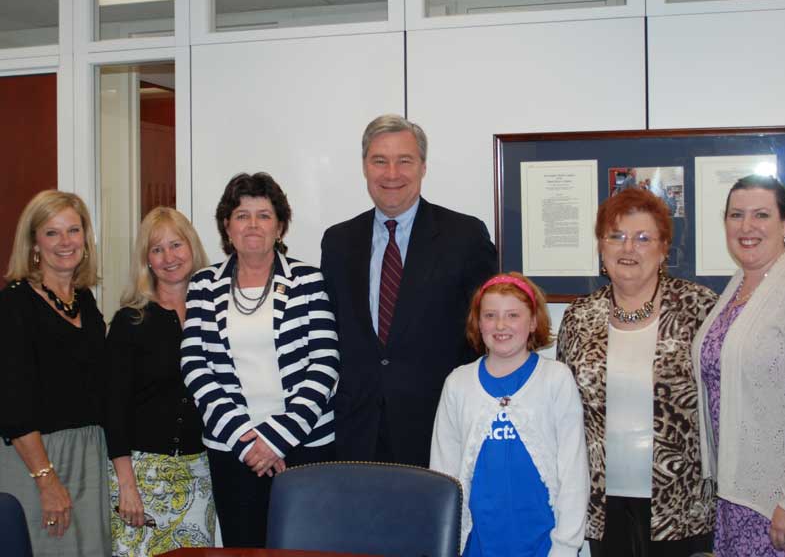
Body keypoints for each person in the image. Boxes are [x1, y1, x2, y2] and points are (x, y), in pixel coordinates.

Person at [321, 113, 497, 467]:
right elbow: (331, 333)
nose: (391, 174)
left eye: (404, 161)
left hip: (438, 428)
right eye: (379, 161)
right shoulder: (338, 241)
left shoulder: (464, 236)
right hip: (357, 432)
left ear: (423, 167)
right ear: (364, 167)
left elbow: (484, 333)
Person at [556, 187, 717, 557]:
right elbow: (563, 412)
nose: (628, 248)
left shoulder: (699, 309)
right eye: (617, 237)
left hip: (681, 502)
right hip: (602, 501)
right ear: (601, 246)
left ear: (663, 250)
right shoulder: (579, 317)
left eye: (643, 238)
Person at [181, 172, 339, 547]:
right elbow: (195, 366)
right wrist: (248, 440)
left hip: (305, 447)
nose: (253, 224)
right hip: (234, 450)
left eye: (264, 215)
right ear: (227, 226)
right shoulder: (204, 284)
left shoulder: (308, 280)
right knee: (244, 547)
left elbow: (325, 363)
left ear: (280, 226)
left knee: (308, 548)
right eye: (241, 215)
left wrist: (276, 438)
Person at [431, 273, 588, 556]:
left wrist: (566, 545)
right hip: (475, 543)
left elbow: (573, 471)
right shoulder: (458, 383)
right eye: (490, 315)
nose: (501, 325)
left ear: (533, 322)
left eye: (513, 315)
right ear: (478, 324)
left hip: (543, 542)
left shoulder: (555, 379)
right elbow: (443, 471)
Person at [0, 190, 110, 556]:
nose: (66, 242)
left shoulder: (87, 303)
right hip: (37, 460)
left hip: (88, 454)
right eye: (52, 233)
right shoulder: (15, 304)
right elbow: (12, 402)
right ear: (34, 244)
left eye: (74, 231)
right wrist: (46, 480)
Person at [692, 175, 785, 556]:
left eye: (761, 215)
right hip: (735, 495)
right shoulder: (739, 285)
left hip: (776, 502)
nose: (747, 226)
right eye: (736, 215)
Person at [105, 207, 215, 555]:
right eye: (157, 249)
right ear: (147, 260)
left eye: (176, 245)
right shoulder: (130, 321)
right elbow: (112, 407)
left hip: (199, 475)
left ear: (192, 248)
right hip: (141, 476)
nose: (169, 257)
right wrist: (127, 485)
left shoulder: (215, 314)